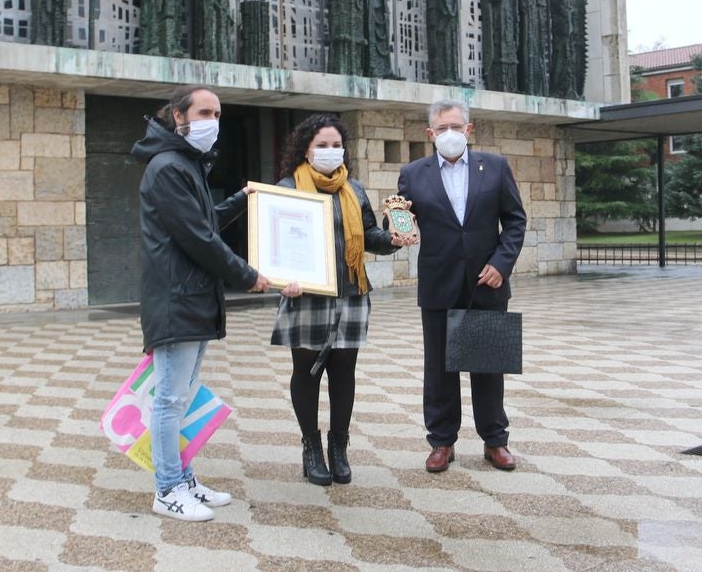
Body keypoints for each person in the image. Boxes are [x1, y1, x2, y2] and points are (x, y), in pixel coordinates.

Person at [131, 85, 270, 522]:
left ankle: (183, 477)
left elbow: (202, 220)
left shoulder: (185, 163)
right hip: (176, 302)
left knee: (183, 397)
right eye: (204, 111)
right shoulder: (168, 166)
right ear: (179, 116)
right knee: (170, 400)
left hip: (191, 300)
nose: (213, 120)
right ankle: (167, 489)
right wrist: (249, 276)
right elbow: (198, 237)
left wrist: (240, 202)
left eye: (217, 113)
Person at [273, 114, 416, 485]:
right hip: (306, 295)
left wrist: (392, 240)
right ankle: (311, 448)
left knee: (343, 373)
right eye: (321, 144)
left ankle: (339, 447)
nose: (330, 151)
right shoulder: (288, 187)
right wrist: (278, 278)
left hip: (351, 292)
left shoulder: (353, 188)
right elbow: (275, 242)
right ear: (305, 149)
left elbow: (369, 234)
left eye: (336, 144)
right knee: (306, 373)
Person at [397, 99, 527, 473]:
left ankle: (495, 441)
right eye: (441, 129)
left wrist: (502, 264)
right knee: (439, 369)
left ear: (469, 130)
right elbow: (403, 220)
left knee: (488, 366)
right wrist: (398, 231)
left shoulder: (496, 167)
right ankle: (441, 442)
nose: (449, 134)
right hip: (438, 281)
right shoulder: (413, 173)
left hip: (486, 282)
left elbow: (515, 221)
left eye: (456, 127)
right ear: (430, 134)